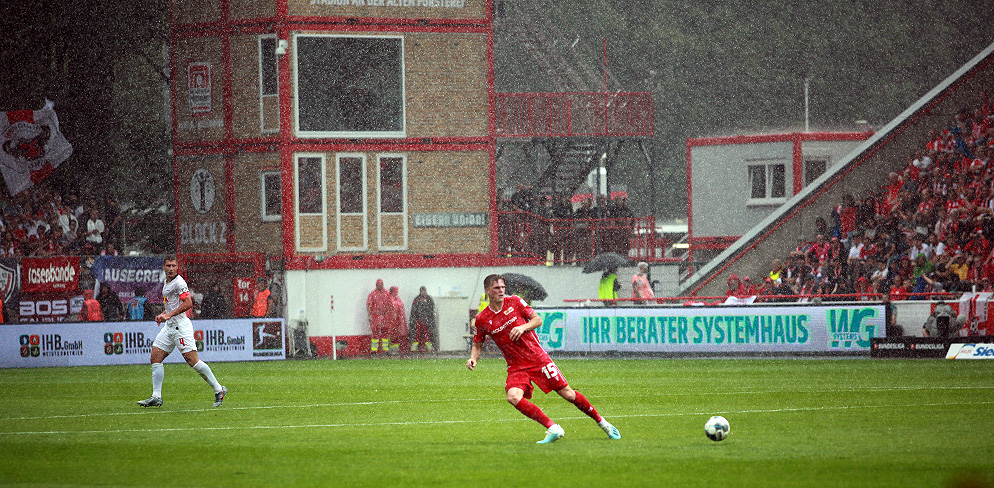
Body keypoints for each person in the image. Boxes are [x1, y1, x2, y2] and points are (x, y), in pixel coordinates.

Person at [466, 274, 621, 444]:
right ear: (487, 291)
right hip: (516, 366)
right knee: (513, 397)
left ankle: (603, 423)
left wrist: (523, 327)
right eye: (497, 288)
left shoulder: (515, 301)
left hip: (537, 359)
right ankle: (553, 428)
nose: (501, 291)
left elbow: (537, 320)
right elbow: (478, 344)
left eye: (503, 287)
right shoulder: (482, 319)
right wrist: (473, 359)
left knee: (568, 394)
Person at [137, 256, 226, 408]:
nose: (171, 268)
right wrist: (163, 314)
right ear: (164, 267)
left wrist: (169, 315)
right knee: (155, 357)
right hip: (170, 326)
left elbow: (188, 303)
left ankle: (219, 389)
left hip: (180, 326)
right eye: (168, 266)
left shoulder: (179, 282)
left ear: (177, 267)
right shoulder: (167, 282)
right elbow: (172, 305)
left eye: (173, 265)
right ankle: (156, 396)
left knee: (193, 361)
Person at [367, 279, 393, 354]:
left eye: (381, 284)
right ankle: (374, 350)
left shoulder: (386, 293)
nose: (380, 285)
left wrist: (390, 315)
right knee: (375, 333)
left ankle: (385, 349)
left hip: (385, 316)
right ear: (376, 285)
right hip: (376, 316)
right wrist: (370, 315)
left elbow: (390, 305)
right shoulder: (373, 294)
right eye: (379, 284)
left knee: (385, 333)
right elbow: (369, 305)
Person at [409, 286, 438, 353]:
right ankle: (414, 349)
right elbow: (414, 310)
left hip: (426, 320)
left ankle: (429, 349)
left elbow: (431, 308)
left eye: (424, 291)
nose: (423, 292)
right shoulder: (418, 299)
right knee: (417, 334)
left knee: (426, 334)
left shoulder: (428, 298)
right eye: (422, 291)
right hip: (419, 320)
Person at [388, 286, 408, 355]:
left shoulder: (398, 299)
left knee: (396, 334)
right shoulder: (389, 298)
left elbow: (401, 309)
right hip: (392, 320)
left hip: (398, 321)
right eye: (396, 291)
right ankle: (390, 350)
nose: (397, 292)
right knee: (391, 334)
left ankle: (395, 350)